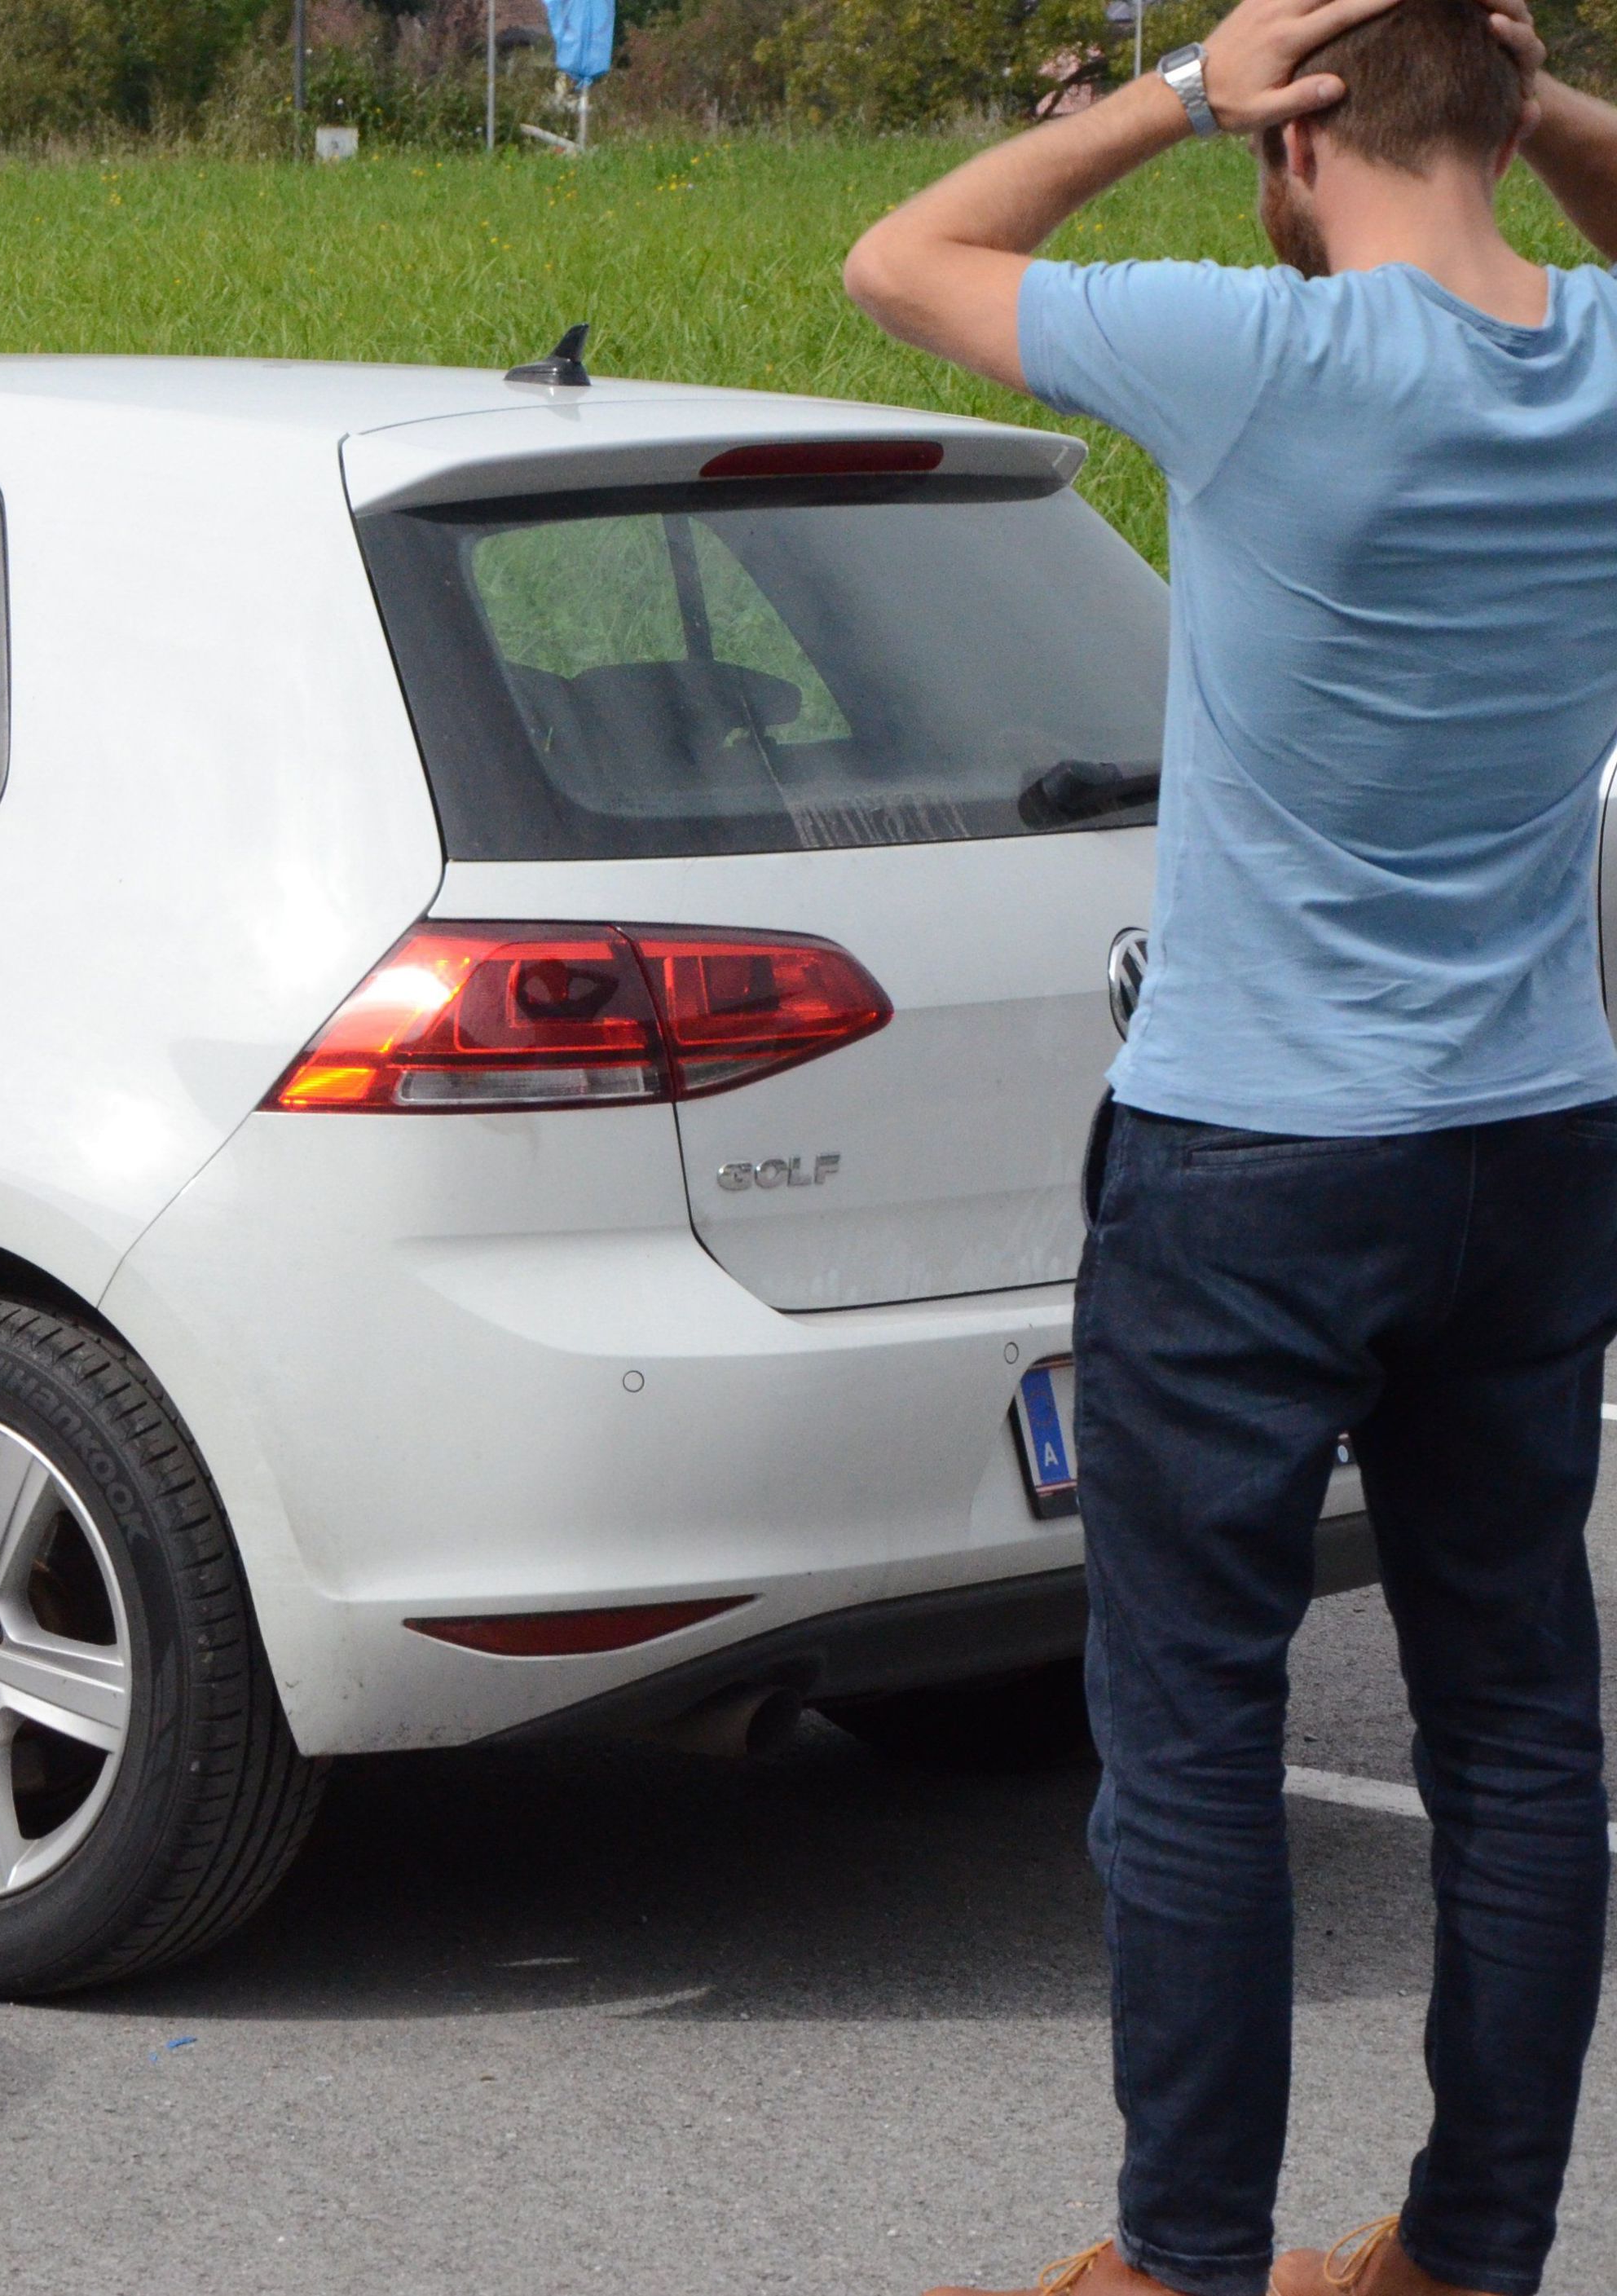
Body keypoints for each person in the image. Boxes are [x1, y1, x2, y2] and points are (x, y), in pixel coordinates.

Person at [840, 3, 1617, 2293]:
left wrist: (1183, 89)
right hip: (1536, 1142)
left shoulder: (1258, 361)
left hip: (1253, 1157)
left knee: (1190, 1728)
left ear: (1298, 160)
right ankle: (1470, 2255)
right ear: (1497, 115)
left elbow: (904, 258)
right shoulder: (1601, 359)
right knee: (1517, 1727)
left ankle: (1187, 2265)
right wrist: (1521, 91)